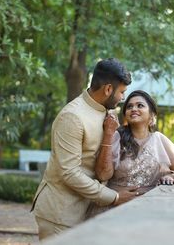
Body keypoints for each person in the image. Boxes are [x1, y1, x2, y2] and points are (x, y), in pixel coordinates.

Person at [31, 58, 138, 240]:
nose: (122, 98)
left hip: (86, 211)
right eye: (121, 92)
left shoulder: (107, 110)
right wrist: (113, 197)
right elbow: (70, 172)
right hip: (61, 214)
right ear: (108, 89)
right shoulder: (72, 117)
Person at [87, 90, 174, 217]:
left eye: (140, 105)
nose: (134, 109)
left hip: (147, 210)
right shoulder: (116, 137)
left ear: (152, 114)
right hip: (114, 208)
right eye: (129, 106)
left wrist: (172, 177)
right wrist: (108, 134)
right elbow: (102, 175)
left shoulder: (159, 139)